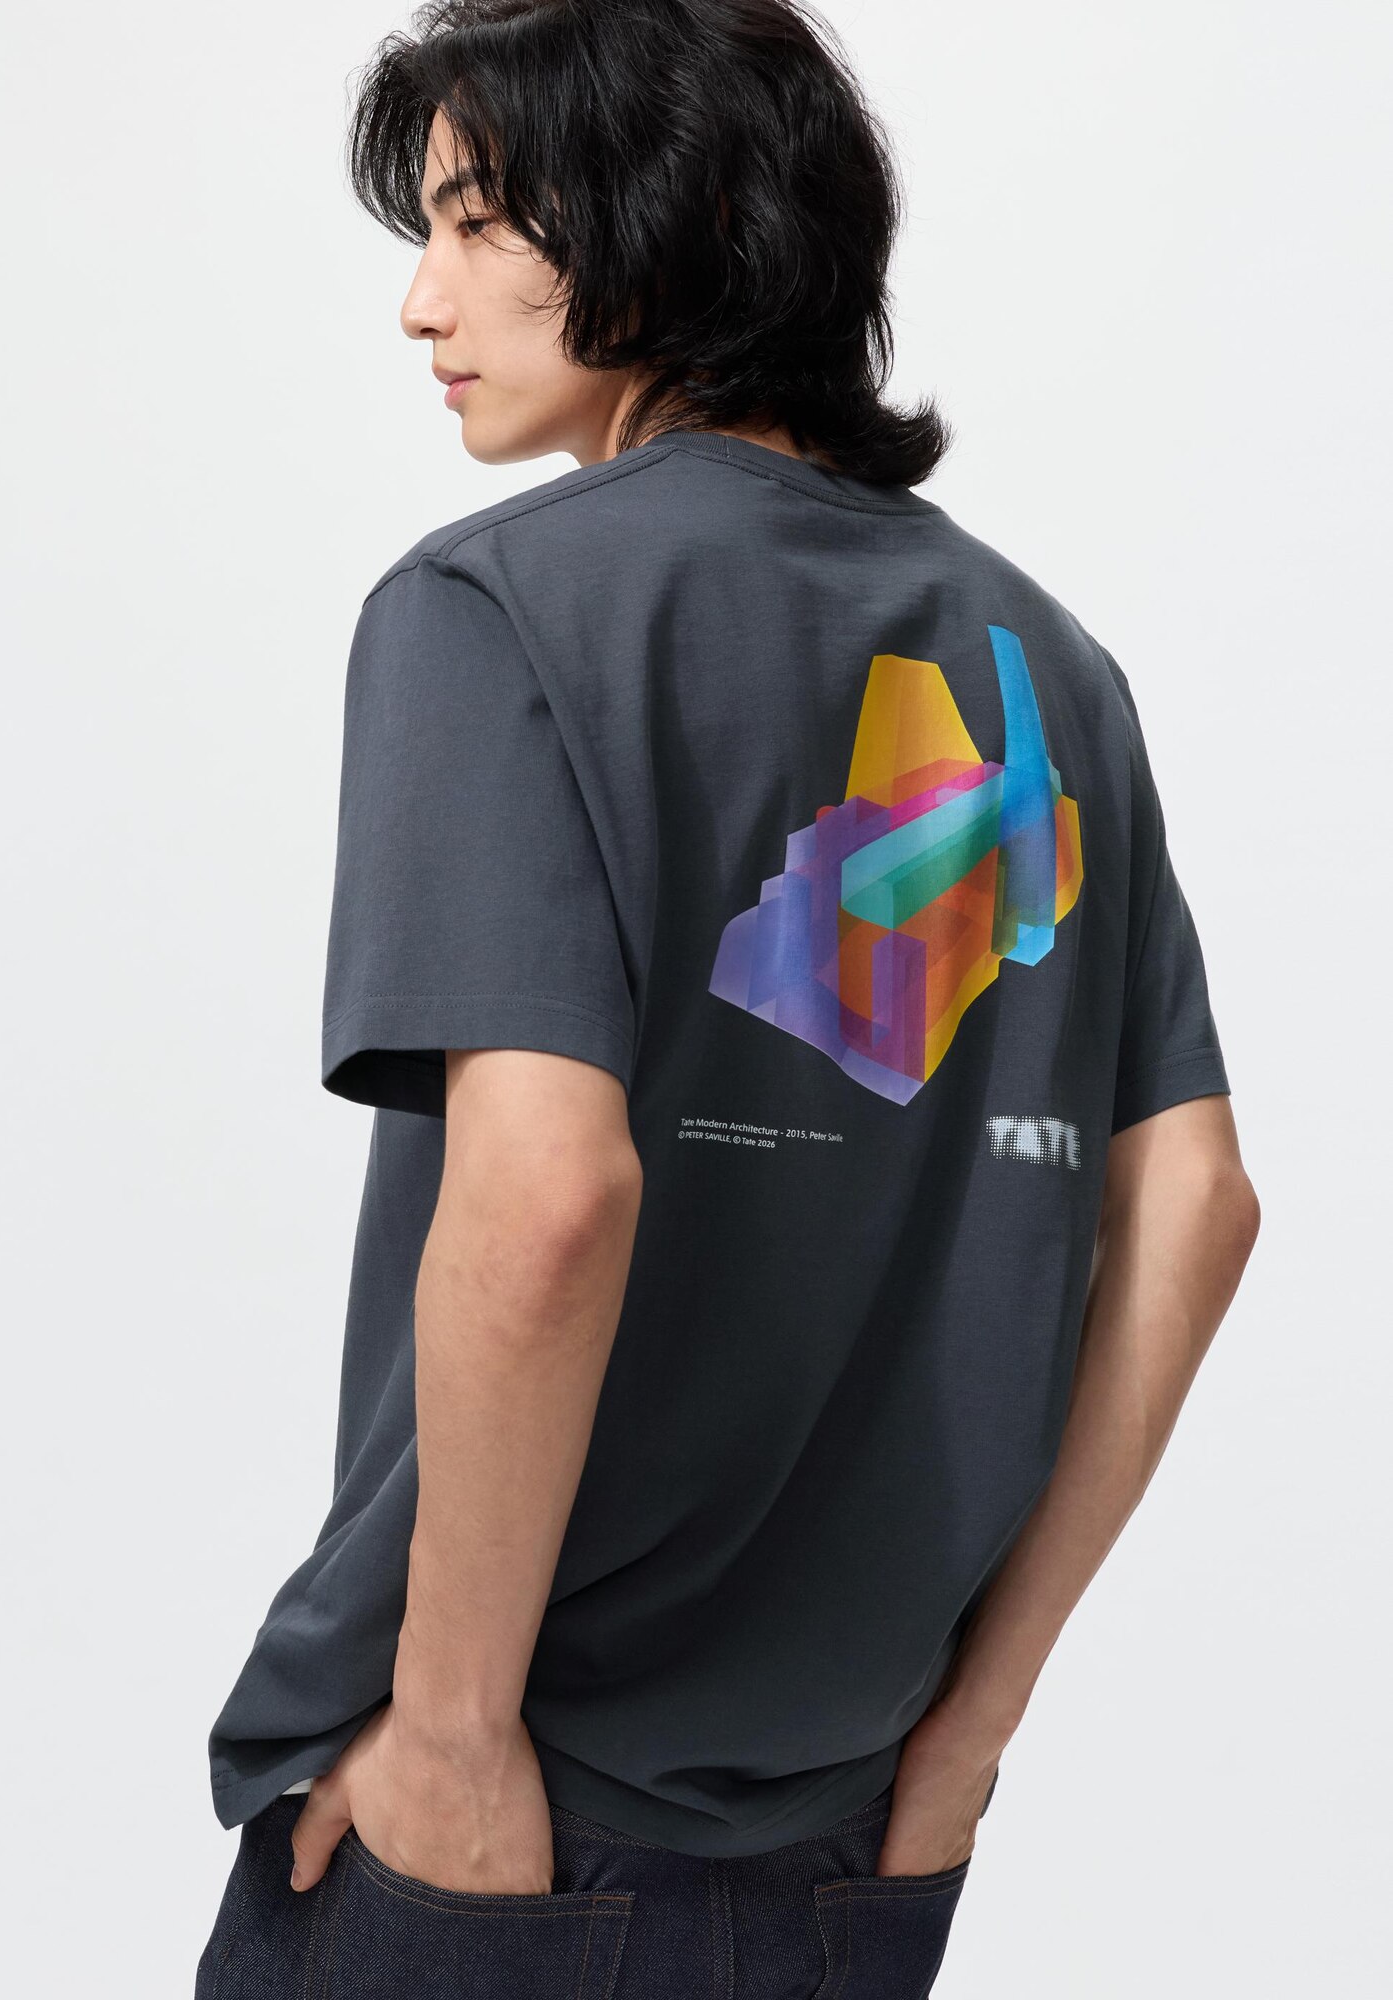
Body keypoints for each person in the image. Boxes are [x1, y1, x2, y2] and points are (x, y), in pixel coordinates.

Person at [195, 3, 1260, 1995]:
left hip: (516, 1804)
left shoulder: (496, 610)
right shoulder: (1053, 672)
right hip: (865, 1825)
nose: (421, 300)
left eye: (477, 223)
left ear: (665, 217)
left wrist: (449, 1731)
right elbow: (1195, 1202)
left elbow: (547, 1197)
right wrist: (975, 1728)